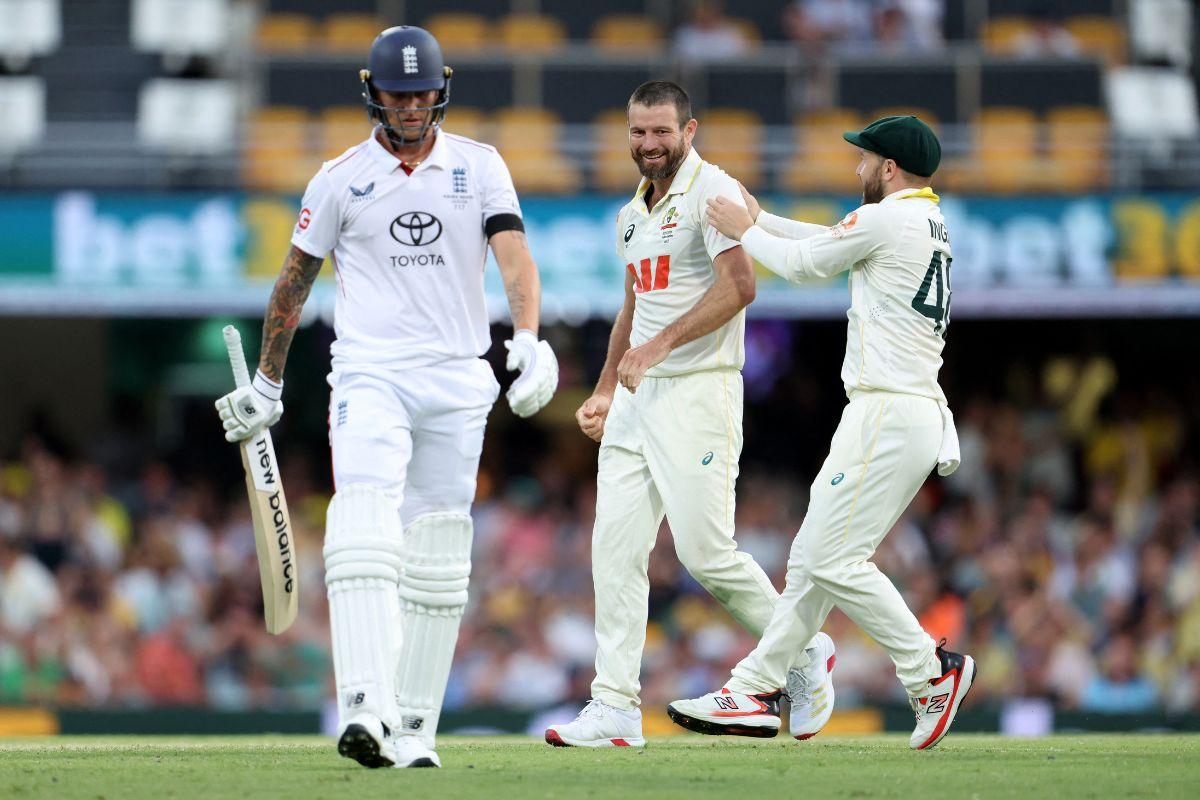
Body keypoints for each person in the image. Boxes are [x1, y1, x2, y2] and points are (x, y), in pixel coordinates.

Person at [214, 26, 558, 769]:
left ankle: (415, 729)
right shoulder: (339, 177)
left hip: (459, 376)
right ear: (373, 92)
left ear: (443, 88)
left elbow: (514, 253)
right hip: (371, 372)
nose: (410, 107)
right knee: (365, 518)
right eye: (398, 94)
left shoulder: (480, 164)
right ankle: (364, 707)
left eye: (422, 93)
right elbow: (292, 283)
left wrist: (528, 337)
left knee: (438, 551)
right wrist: (270, 380)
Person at [667, 115, 974, 750]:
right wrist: (762, 219)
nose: (858, 169)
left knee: (831, 559)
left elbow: (805, 267)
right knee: (812, 558)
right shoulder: (921, 220)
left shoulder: (889, 218)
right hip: (900, 409)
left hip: (887, 411)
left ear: (889, 169)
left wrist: (746, 230)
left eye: (865, 161)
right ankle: (754, 688)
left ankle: (929, 671)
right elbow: (826, 242)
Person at [544, 81, 835, 749]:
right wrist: (606, 388)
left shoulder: (714, 193)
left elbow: (742, 286)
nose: (649, 145)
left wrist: (659, 346)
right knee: (613, 553)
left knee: (706, 554)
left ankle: (805, 650)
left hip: (699, 392)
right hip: (637, 400)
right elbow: (632, 307)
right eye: (639, 132)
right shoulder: (630, 214)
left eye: (662, 133)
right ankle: (614, 707)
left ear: (690, 130)